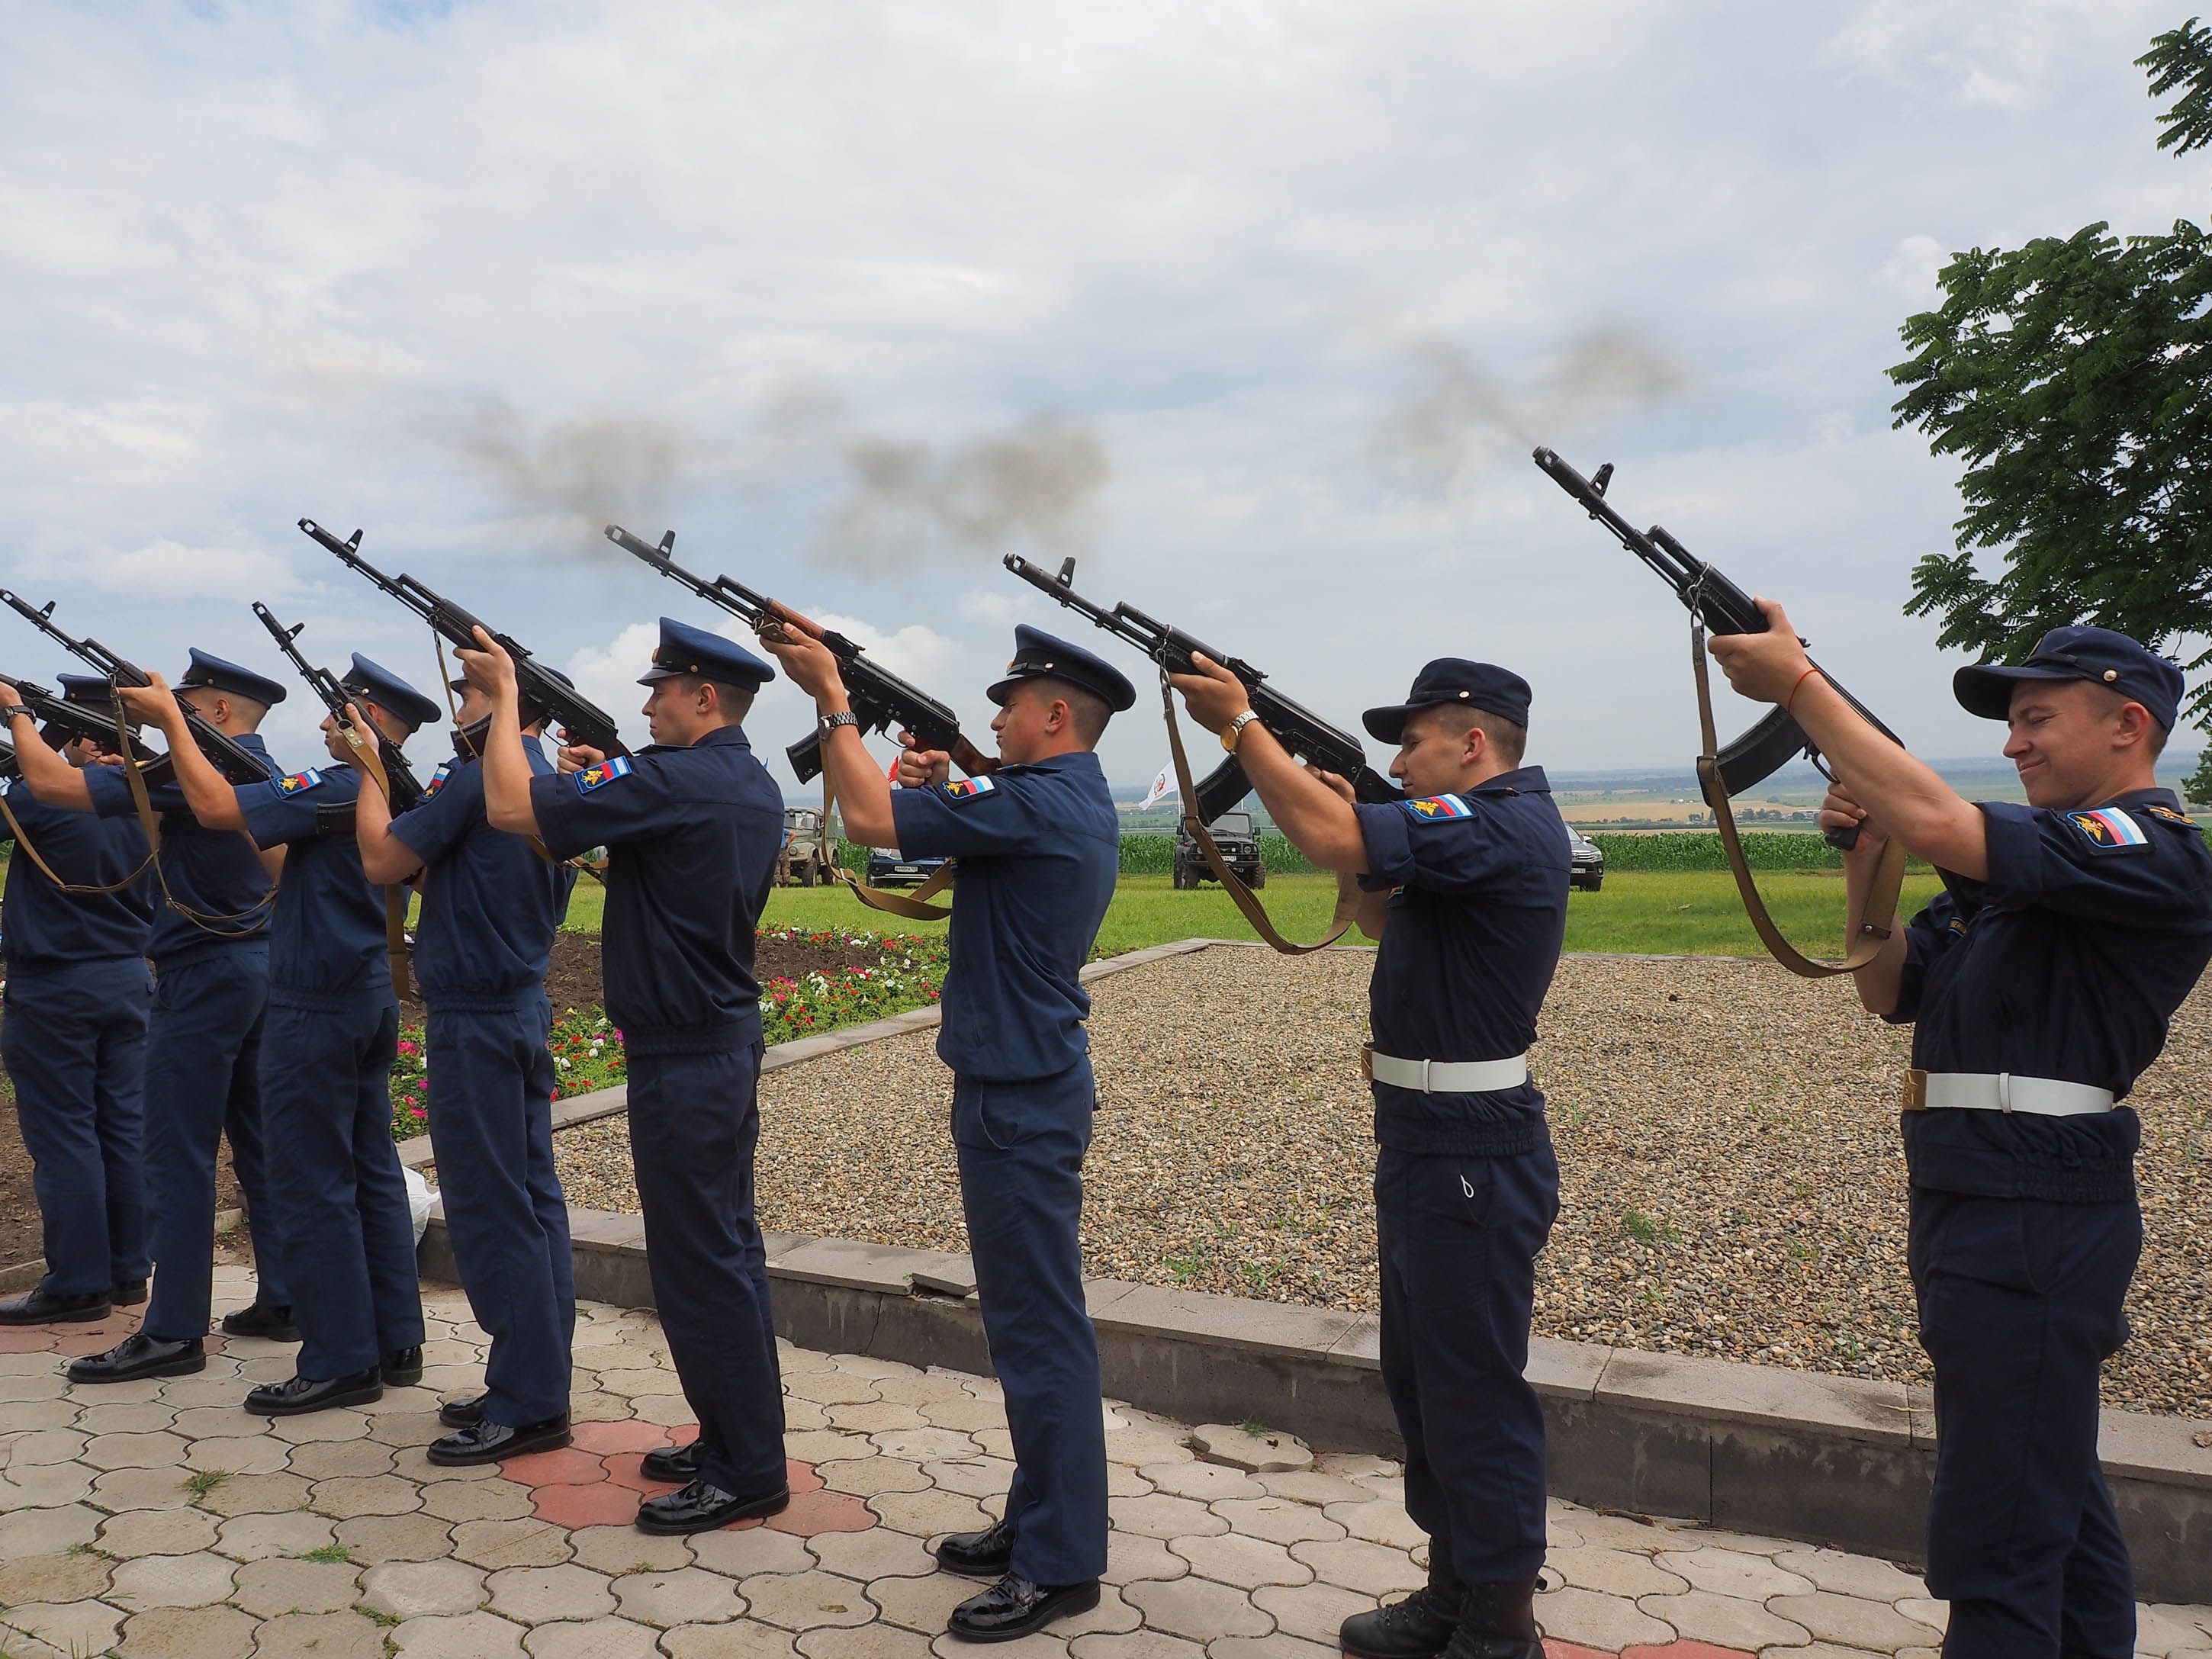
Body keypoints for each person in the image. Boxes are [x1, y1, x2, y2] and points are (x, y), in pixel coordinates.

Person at [1708, 614, 2212, 1659]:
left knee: (1997, 1534)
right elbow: (1885, 985)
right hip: (1981, 1190)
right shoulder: (2035, 878)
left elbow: (1944, 820)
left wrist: (1798, 685)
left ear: (2127, 725)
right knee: (2046, 1487)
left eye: (2037, 719)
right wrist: (1869, 858)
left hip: (2033, 1203)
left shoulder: (2147, 848)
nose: (2014, 742)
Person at [1170, 654, 1568, 1659]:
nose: (1397, 760)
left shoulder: (1502, 820)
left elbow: (1324, 833)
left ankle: (1500, 1627)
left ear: (1471, 742)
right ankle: (1455, 1588)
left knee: (1473, 1394)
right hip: (1425, 1137)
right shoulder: (1466, 834)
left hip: (1470, 1144)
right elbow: (1380, 909)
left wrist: (1241, 727)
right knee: (1425, 1385)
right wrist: (1360, 836)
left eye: (1413, 741)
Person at [765, 621, 1127, 1643]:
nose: (995, 719)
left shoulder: (1041, 800)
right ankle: (1038, 1515)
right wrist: (942, 783)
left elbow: (869, 819)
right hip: (1019, 1087)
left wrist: (832, 695)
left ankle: (1061, 1560)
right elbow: (931, 826)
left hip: (1019, 1096)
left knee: (1040, 1333)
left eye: (1009, 706)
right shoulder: (1050, 797)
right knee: (1026, 1329)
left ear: (1053, 715)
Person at [457, 616, 788, 1534]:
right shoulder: (741, 780)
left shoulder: (674, 779)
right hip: (711, 1044)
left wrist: (507, 700)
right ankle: (733, 1435)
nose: (647, 707)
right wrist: (606, 776)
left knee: (700, 1264)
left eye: (661, 691)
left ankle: (747, 1469)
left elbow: (511, 810)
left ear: (704, 698)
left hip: (685, 1054)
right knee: (722, 1254)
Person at [118, 654, 439, 1414]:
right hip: (366, 993)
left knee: (312, 1180)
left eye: (338, 710)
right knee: (369, 1170)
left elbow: (216, 808)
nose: (323, 723)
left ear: (368, 721)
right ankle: (395, 1340)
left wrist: (170, 723)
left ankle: (339, 1359)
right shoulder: (391, 790)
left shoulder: (335, 785)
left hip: (318, 1003)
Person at [2, 652, 294, 1384]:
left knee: (171, 1152)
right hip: (247, 968)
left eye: (186, 701)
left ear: (219, 711)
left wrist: (16, 713)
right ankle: (284, 1294)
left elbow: (45, 785)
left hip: (189, 976)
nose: (174, 710)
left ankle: (169, 1328)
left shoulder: (177, 775)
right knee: (257, 1143)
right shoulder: (263, 771)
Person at [353, 670, 579, 1464]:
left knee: (490, 1208)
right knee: (533, 1203)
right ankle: (535, 1376)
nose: (460, 710)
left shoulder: (483, 776)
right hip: (517, 1007)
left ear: (516, 704)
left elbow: (383, 859)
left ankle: (528, 1403)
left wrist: (368, 766)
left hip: (476, 1019)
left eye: (472, 694)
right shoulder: (547, 783)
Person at [0, 680, 156, 1325]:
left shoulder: (46, 797)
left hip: (56, 986)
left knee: (65, 1135)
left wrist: (21, 728)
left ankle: (77, 1282)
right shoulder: (146, 797)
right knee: (122, 1127)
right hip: (127, 978)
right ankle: (127, 1270)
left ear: (78, 737)